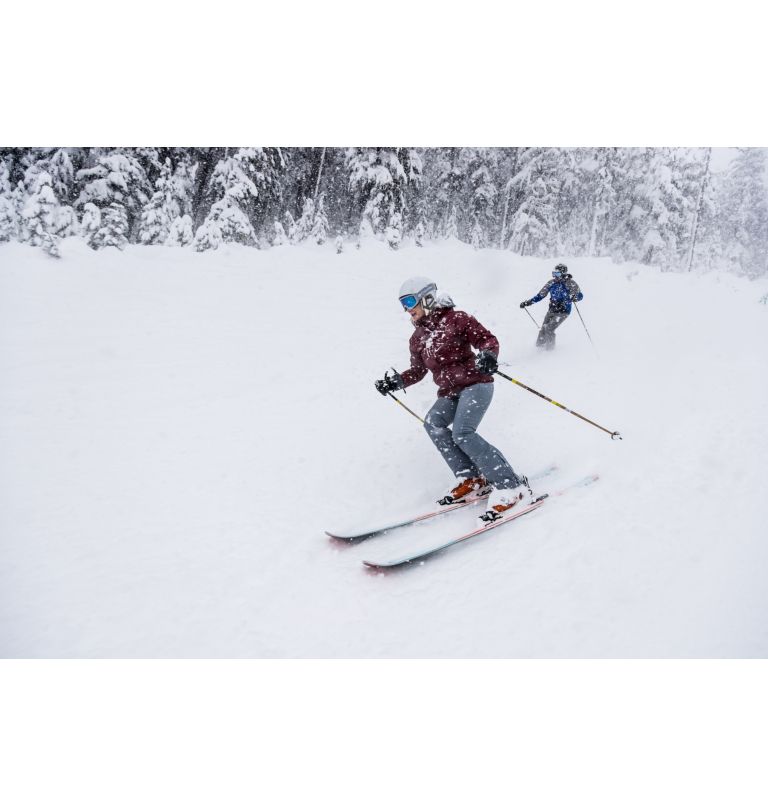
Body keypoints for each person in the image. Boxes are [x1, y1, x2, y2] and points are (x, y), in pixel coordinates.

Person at [375, 276, 532, 519]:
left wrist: (488, 355)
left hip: (476, 383)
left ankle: (511, 486)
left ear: (427, 298)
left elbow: (487, 340)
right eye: (402, 304)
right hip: (450, 392)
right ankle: (471, 478)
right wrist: (395, 382)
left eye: (409, 301)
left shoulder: (457, 319)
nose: (407, 308)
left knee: (463, 433)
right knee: (433, 423)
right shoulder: (418, 338)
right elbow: (417, 371)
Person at [520, 263, 583, 350]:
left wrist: (574, 297)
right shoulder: (551, 283)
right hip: (552, 309)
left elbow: (580, 296)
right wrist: (528, 302)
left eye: (557, 274)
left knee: (549, 329)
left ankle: (549, 352)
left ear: (563, 274)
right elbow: (540, 295)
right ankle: (538, 349)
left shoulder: (570, 283)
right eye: (554, 274)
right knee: (543, 329)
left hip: (563, 311)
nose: (555, 276)